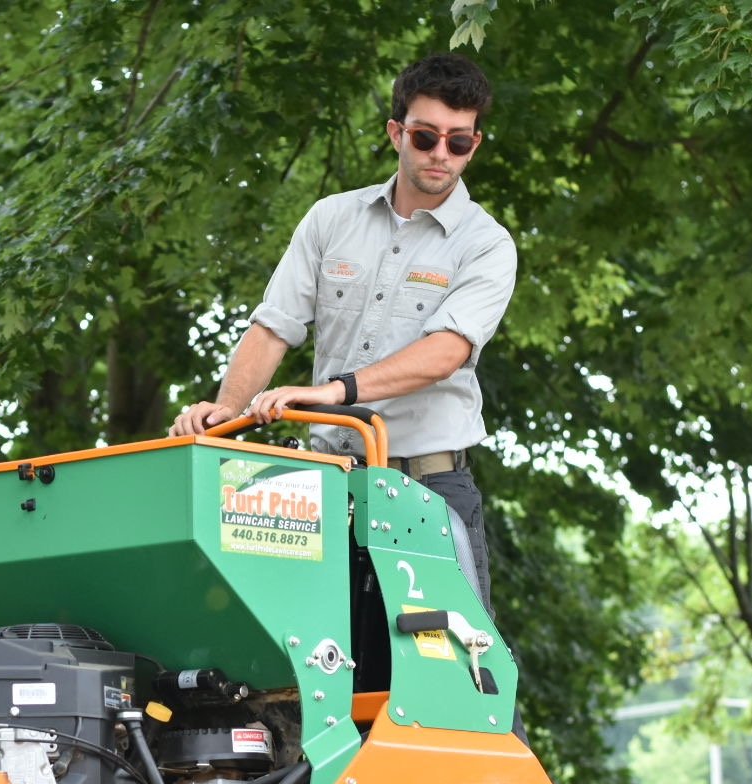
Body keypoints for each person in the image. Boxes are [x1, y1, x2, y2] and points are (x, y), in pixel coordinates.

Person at [170, 53, 515, 613]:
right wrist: (224, 415)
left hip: (425, 487)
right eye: (426, 137)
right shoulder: (331, 219)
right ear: (396, 133)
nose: (441, 155)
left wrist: (336, 392)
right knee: (315, 662)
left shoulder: (487, 245)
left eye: (459, 143)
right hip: (323, 487)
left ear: (474, 144)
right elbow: (274, 325)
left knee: (458, 672)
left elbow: (446, 353)